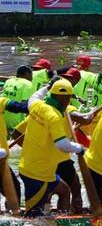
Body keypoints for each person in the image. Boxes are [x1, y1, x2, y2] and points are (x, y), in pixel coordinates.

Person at [17, 79, 86, 217]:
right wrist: (80, 149)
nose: (69, 102)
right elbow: (62, 144)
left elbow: (34, 96)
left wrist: (48, 86)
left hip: (39, 169)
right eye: (69, 98)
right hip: (37, 173)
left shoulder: (37, 106)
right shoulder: (54, 116)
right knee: (33, 216)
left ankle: (64, 225)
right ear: (64, 98)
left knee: (65, 191)